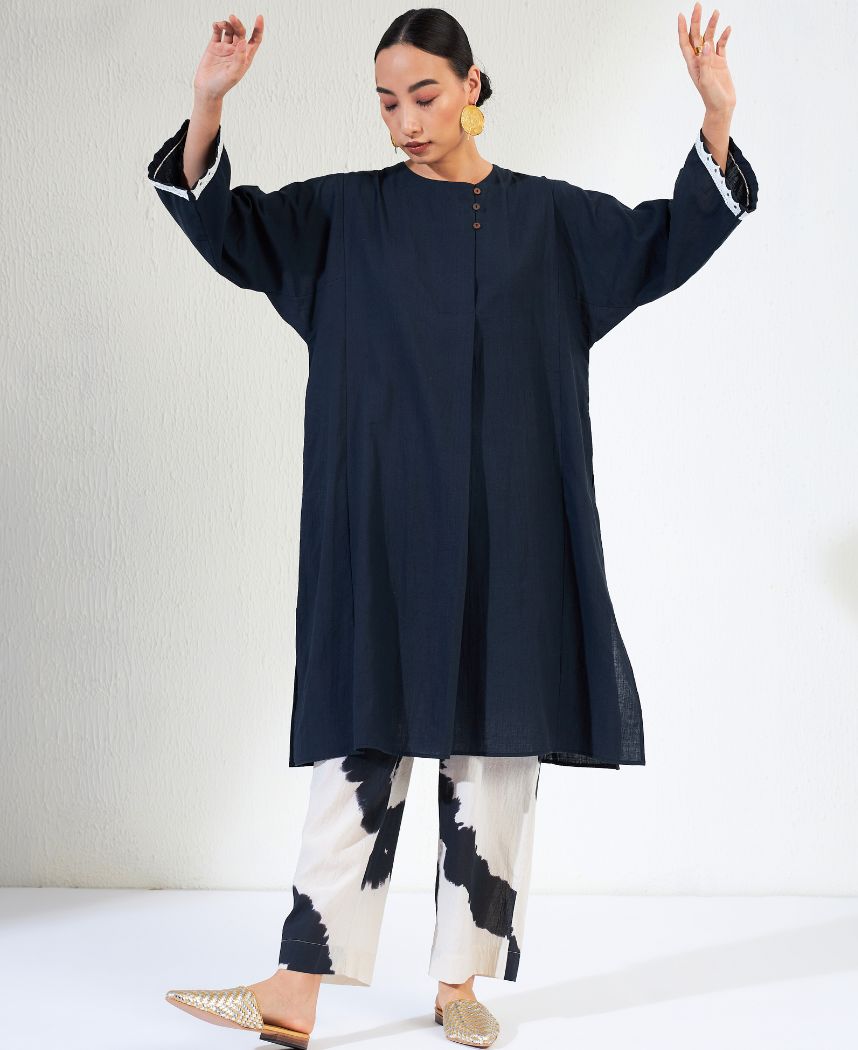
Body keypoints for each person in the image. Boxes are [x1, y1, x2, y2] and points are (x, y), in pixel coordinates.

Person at [149, 6, 758, 1047]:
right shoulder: (340, 218)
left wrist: (715, 118)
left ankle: (459, 983)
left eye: (424, 96)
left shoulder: (552, 222)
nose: (405, 122)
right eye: (387, 103)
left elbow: (666, 240)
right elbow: (228, 231)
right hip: (379, 525)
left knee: (499, 744)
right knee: (361, 739)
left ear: (473, 87)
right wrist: (208, 103)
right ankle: (296, 985)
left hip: (510, 526)